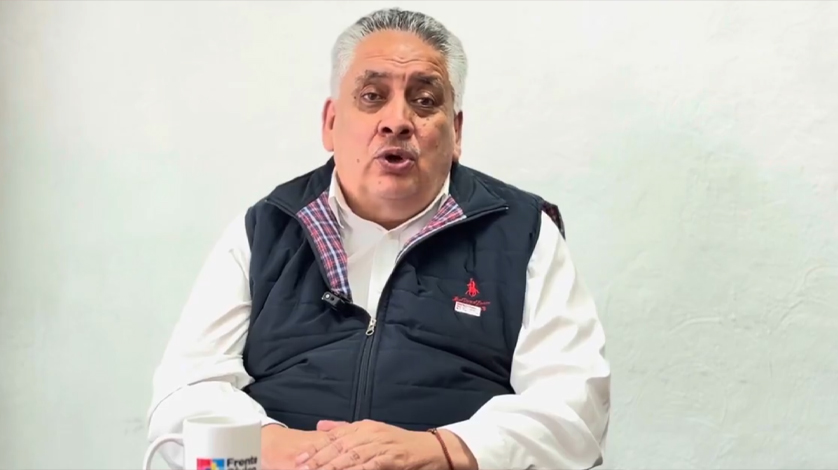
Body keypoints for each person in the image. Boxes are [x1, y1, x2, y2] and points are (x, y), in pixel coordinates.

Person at [147, 7, 610, 470]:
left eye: (424, 100)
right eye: (372, 96)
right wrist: (277, 450)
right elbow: (178, 410)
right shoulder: (265, 229)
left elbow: (577, 413)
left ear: (456, 132)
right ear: (331, 123)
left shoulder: (523, 232)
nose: (397, 121)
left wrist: (440, 451)